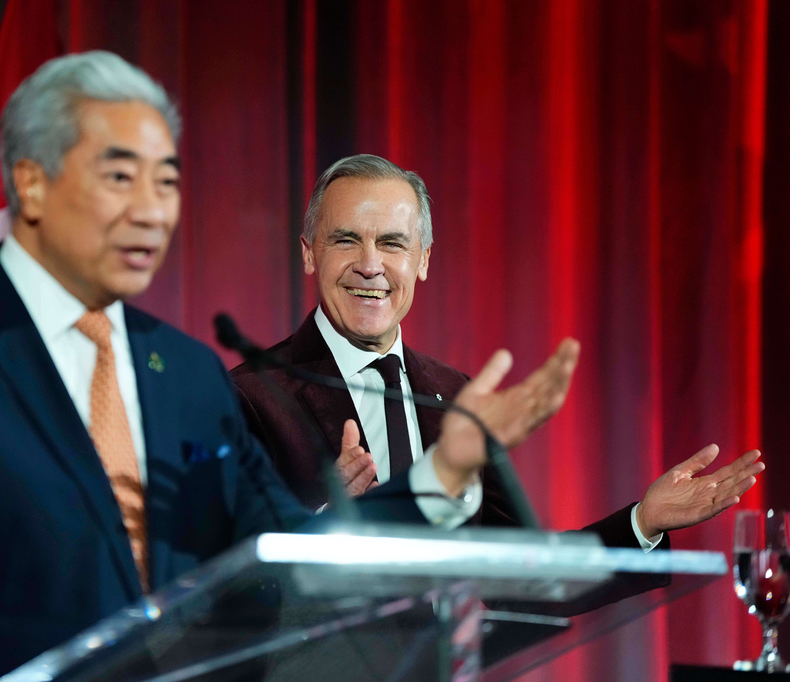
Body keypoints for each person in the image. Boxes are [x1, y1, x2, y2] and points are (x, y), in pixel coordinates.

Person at [0, 55, 582, 682]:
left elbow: (291, 558)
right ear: (31, 182)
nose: (154, 210)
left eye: (166, 181)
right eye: (120, 176)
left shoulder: (189, 375)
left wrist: (442, 475)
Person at [231, 153, 763, 547]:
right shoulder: (250, 398)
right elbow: (215, 593)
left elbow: (524, 573)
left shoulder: (456, 395)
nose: (371, 264)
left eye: (392, 243)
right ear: (309, 254)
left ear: (423, 260)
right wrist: (320, 520)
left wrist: (642, 522)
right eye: (346, 239)